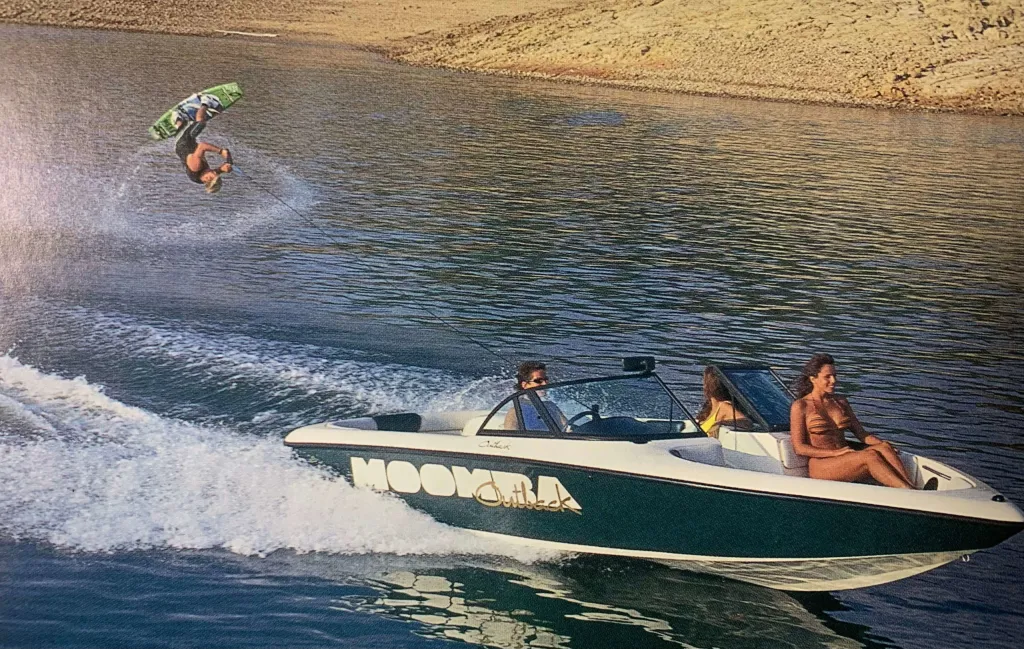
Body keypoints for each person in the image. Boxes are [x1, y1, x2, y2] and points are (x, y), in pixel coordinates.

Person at [789, 353, 915, 489]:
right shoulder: (801, 406)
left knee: (884, 447)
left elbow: (862, 434)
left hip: (846, 458)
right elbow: (799, 448)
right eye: (827, 377)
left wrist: (884, 445)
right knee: (870, 456)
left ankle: (911, 488)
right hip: (822, 465)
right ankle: (908, 492)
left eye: (835, 376)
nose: (833, 381)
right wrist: (835, 453)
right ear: (813, 379)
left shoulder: (840, 402)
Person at [174, 97, 232, 193]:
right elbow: (217, 172)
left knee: (201, 123)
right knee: (191, 132)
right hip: (186, 145)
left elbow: (202, 146)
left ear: (206, 179)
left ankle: (205, 102)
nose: (214, 171)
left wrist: (221, 151)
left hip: (183, 140)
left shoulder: (195, 167)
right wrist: (226, 166)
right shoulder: (204, 177)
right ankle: (178, 120)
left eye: (213, 173)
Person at [503, 361, 567, 431]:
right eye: (539, 381)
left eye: (546, 380)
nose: (545, 384)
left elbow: (567, 427)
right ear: (524, 385)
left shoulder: (551, 406)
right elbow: (511, 439)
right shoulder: (515, 412)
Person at [696, 367, 751, 438]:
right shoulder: (709, 406)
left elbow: (747, 423)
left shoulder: (724, 406)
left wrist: (720, 423)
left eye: (704, 382)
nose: (703, 386)